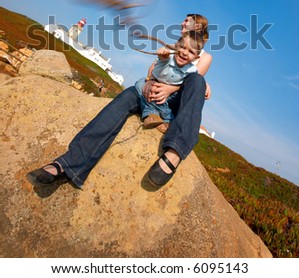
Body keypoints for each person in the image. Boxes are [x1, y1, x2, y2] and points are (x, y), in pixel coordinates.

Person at [27, 13, 212, 188]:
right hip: (152, 88)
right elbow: (153, 68)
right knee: (124, 99)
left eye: (186, 21)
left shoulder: (204, 56)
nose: (182, 23)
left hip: (171, 98)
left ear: (197, 25)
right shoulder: (174, 46)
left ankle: (175, 152)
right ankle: (68, 164)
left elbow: (189, 82)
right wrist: (149, 82)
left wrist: (169, 88)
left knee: (199, 82)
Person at [135, 30, 204, 133]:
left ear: (196, 58)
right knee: (140, 84)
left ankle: (167, 118)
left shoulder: (192, 70)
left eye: (191, 52)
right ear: (175, 46)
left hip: (171, 95)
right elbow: (160, 64)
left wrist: (205, 86)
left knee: (170, 100)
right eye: (183, 47)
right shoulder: (168, 57)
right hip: (155, 85)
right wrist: (163, 56)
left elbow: (191, 84)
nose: (185, 53)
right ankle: (154, 115)